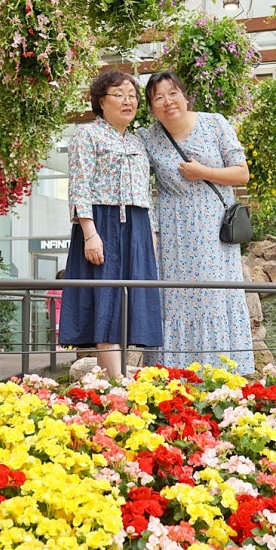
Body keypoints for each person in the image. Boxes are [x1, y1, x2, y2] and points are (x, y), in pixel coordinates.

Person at [139, 71, 256, 374]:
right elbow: (139, 185)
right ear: (152, 107)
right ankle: (174, 372)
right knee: (173, 300)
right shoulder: (147, 137)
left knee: (212, 296)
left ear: (185, 95)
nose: (167, 102)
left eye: (172, 93)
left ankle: (219, 372)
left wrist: (203, 171)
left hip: (212, 228)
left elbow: (241, 173)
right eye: (158, 98)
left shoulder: (214, 122)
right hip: (172, 231)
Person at [60, 70, 163, 378]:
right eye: (119, 95)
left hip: (137, 224)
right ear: (100, 101)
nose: (127, 101)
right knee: (107, 297)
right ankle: (116, 380)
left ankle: (120, 378)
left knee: (136, 300)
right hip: (102, 223)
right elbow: (80, 185)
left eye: (132, 96)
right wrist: (90, 234)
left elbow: (146, 192)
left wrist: (151, 237)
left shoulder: (137, 141)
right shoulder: (87, 135)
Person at [46, 270, 65, 349]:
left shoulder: (52, 288)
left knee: (55, 330)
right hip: (62, 312)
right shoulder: (65, 290)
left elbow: (46, 299)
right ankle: (60, 346)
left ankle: (56, 346)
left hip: (53, 311)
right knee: (60, 330)